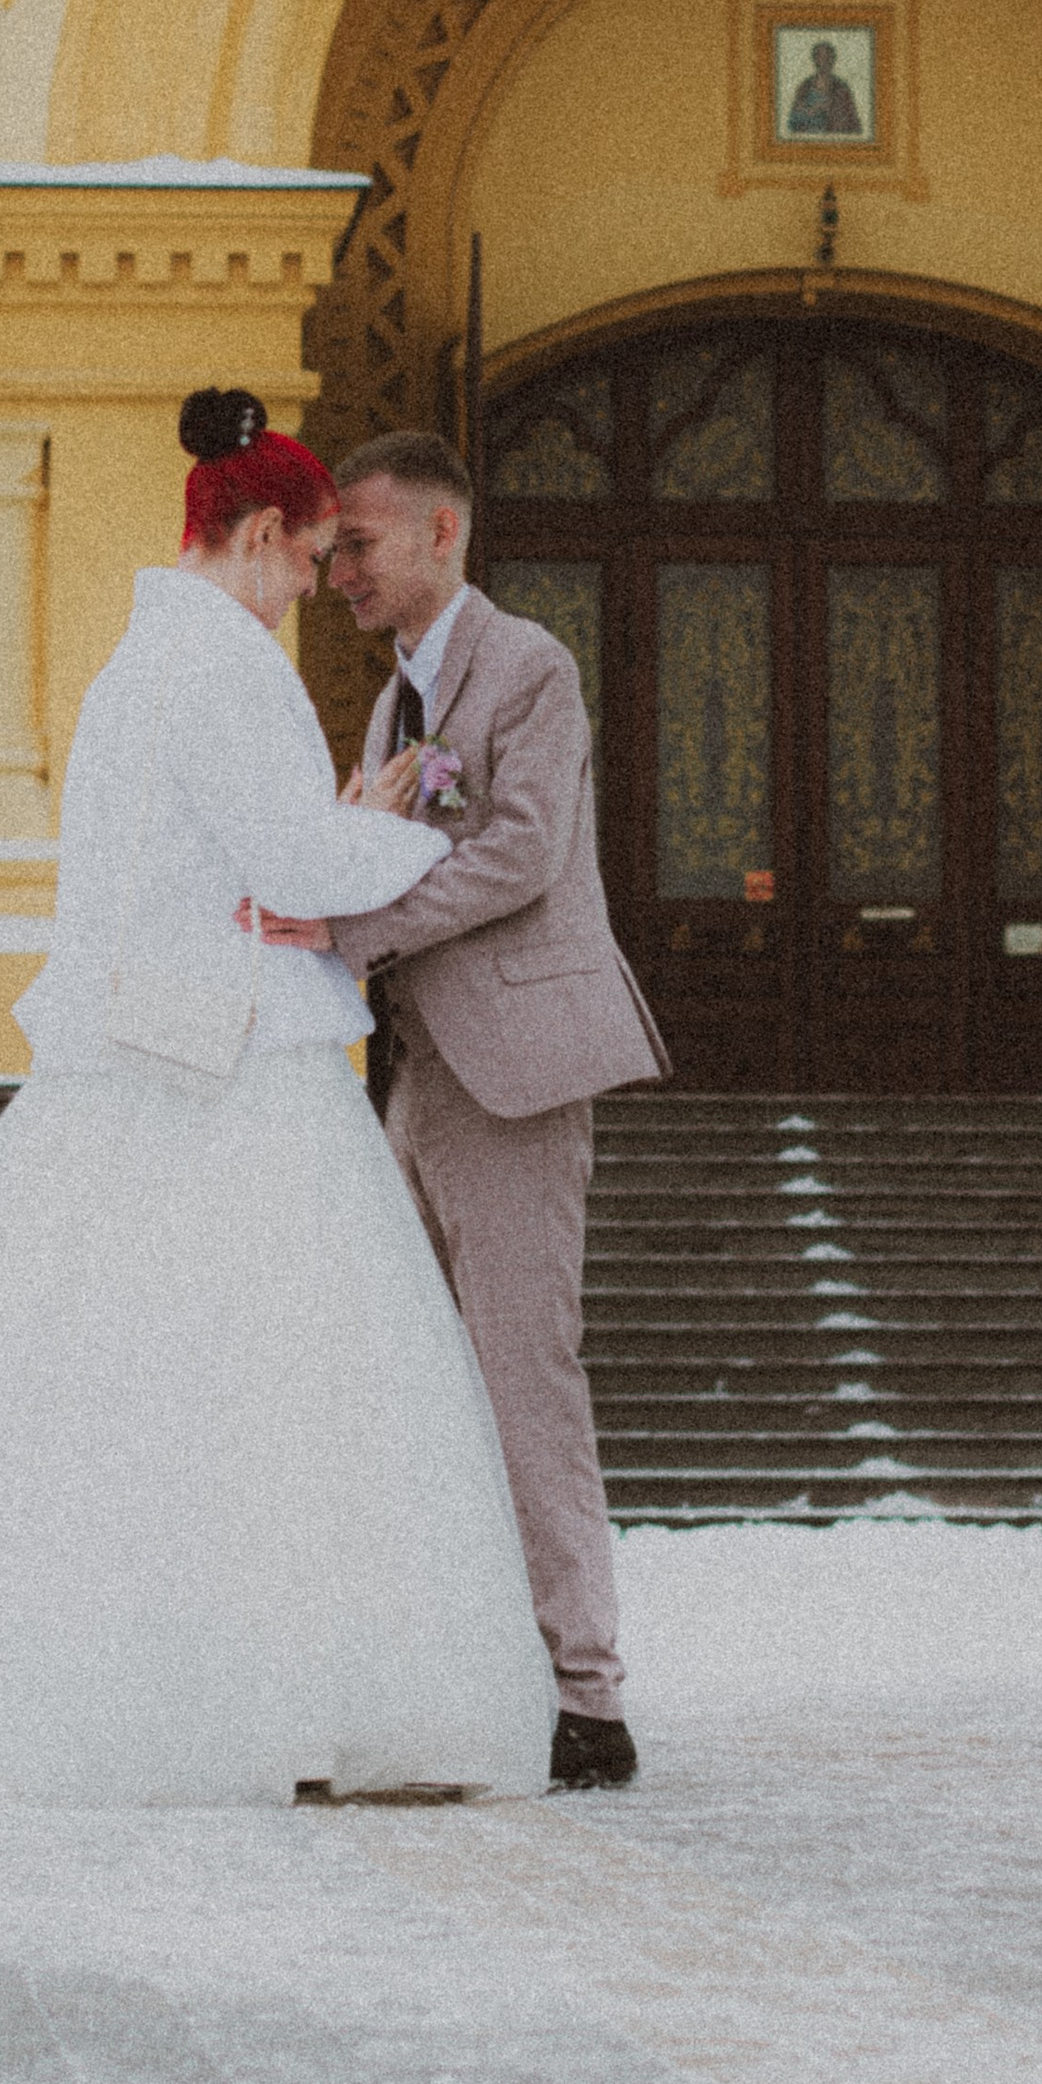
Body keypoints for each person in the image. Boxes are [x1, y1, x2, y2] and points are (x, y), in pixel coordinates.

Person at [0, 391, 555, 1809]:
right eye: (315, 561)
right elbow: (293, 867)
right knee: (274, 1388)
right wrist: (378, 827)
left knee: (110, 1377)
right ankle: (280, 1694)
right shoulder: (227, 670)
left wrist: (317, 842)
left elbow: (209, 864)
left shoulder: (140, 667)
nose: (321, 591)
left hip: (152, 1051)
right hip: (237, 1067)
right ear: (260, 536)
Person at [253, 432, 667, 1789]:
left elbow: (522, 852)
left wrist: (350, 921)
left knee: (523, 1377)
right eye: (333, 546)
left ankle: (586, 1697)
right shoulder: (387, 713)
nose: (338, 567)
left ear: (445, 536)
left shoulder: (530, 667)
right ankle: (466, 1669)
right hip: (419, 1079)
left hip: (520, 1073)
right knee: (417, 1384)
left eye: (360, 543)